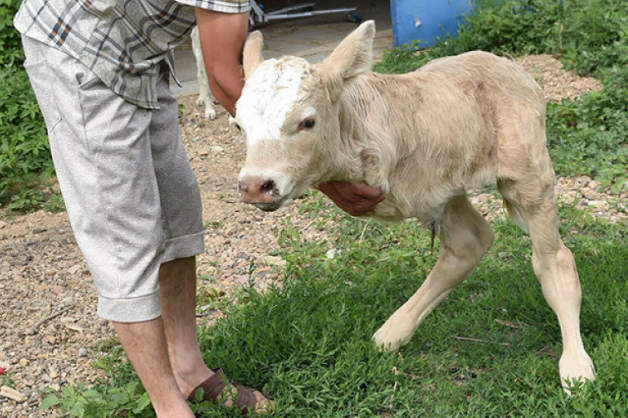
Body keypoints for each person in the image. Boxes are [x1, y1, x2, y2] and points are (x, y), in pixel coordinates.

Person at [14, 1, 385, 416]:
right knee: (125, 235)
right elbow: (226, 77)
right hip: (81, 49)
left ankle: (188, 370)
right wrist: (324, 178)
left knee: (178, 209)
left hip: (140, 54)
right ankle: (169, 406)